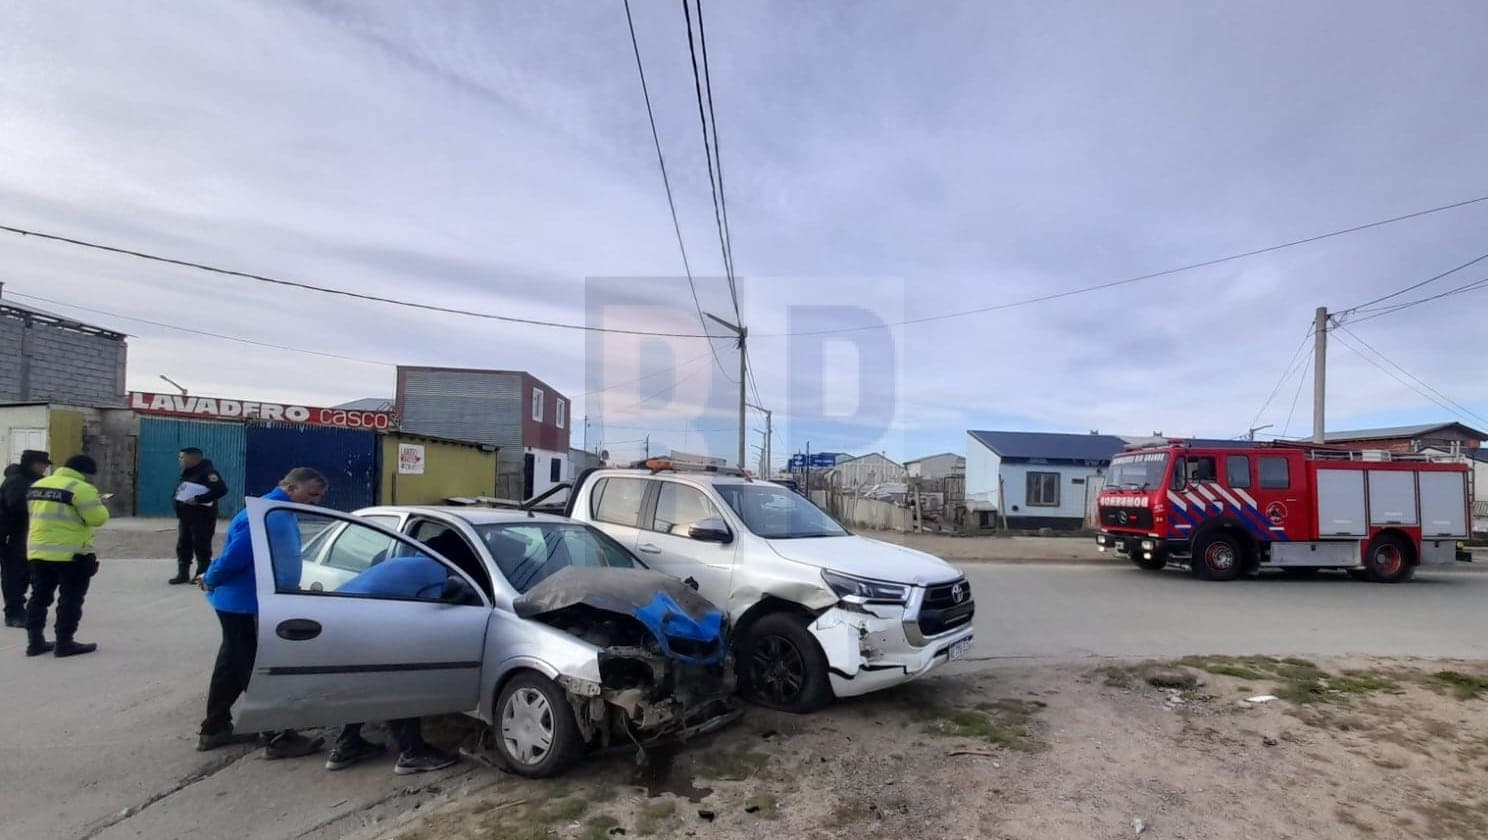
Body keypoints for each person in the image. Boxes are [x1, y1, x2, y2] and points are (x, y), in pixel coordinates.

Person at [197, 467, 327, 759]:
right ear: (291, 487)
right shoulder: (262, 515)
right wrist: (211, 577)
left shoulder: (279, 512)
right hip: (245, 604)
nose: (315, 502)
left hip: (252, 602)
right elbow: (234, 558)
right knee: (255, 671)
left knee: (231, 666)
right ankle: (279, 737)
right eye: (312, 494)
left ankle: (214, 728)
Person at [324, 549, 461, 775]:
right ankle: (413, 753)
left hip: (333, 621)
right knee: (400, 682)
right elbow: (436, 618)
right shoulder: (434, 574)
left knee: (362, 686)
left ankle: (346, 745)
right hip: (361, 625)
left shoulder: (407, 565)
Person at [23, 454, 109, 657]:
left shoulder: (39, 485)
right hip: (71, 554)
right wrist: (100, 503)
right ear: (85, 473)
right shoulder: (82, 489)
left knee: (38, 597)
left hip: (38, 551)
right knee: (70, 599)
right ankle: (64, 642)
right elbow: (97, 519)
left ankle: (35, 642)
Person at [0, 450, 51, 627]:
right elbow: (16, 504)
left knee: (25, 574)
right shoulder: (17, 481)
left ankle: (19, 610)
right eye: (41, 464)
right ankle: (13, 613)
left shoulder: (31, 481)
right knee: (14, 576)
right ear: (31, 464)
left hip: (25, 535)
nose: (44, 468)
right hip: (11, 536)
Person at [171, 448, 228, 586]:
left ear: (193, 459)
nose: (180, 460)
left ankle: (201, 573)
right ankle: (183, 573)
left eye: (182, 457)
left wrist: (198, 499)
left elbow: (221, 490)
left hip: (202, 516)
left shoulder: (208, 473)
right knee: (183, 544)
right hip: (186, 516)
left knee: (201, 544)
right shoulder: (188, 472)